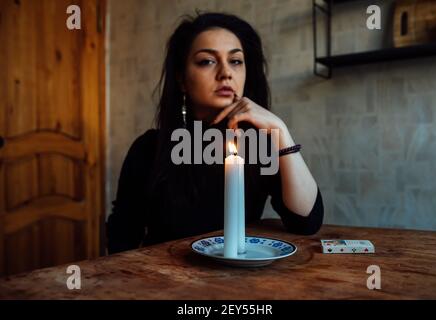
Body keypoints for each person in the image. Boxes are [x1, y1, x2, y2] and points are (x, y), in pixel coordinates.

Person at [106, 12, 324, 254]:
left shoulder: (257, 145)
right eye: (207, 61)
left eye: (236, 61)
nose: (225, 73)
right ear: (181, 79)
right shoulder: (149, 148)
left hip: (237, 278)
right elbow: (122, 234)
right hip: (165, 281)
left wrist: (280, 130)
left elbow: (306, 222)